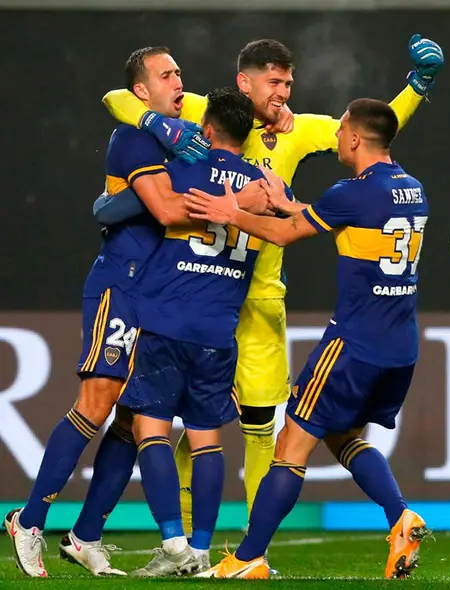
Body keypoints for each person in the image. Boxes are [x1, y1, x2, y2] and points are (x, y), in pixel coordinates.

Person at [93, 35, 443, 540]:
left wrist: (417, 87)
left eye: (288, 83)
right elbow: (119, 99)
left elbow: (375, 129)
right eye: (274, 82)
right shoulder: (205, 110)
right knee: (193, 425)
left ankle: (255, 547)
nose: (283, 92)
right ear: (245, 82)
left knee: (260, 425)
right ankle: (193, 543)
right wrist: (155, 122)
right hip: (201, 291)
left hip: (259, 298)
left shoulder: (298, 131)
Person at [2, 47, 264, 578]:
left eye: (180, 74)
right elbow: (166, 209)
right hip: (120, 286)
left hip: (159, 294)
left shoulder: (181, 136)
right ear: (141, 91)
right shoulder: (137, 136)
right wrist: (234, 201)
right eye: (166, 74)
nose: (179, 81)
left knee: (130, 420)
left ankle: (86, 535)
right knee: (97, 403)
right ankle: (29, 520)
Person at [184, 98, 430, 580]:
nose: (336, 137)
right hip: (400, 347)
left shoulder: (350, 192)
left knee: (290, 446)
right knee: (343, 437)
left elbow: (283, 234)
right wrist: (285, 201)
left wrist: (230, 213)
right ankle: (400, 515)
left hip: (352, 344)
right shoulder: (411, 188)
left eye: (341, 131)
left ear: (356, 138)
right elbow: (328, 218)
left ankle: (248, 557)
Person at [118, 86, 268, 577]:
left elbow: (153, 209)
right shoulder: (265, 186)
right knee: (207, 440)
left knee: (150, 429)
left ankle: (174, 546)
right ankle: (203, 550)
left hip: (167, 318)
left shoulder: (184, 169)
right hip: (220, 327)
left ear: (206, 131)